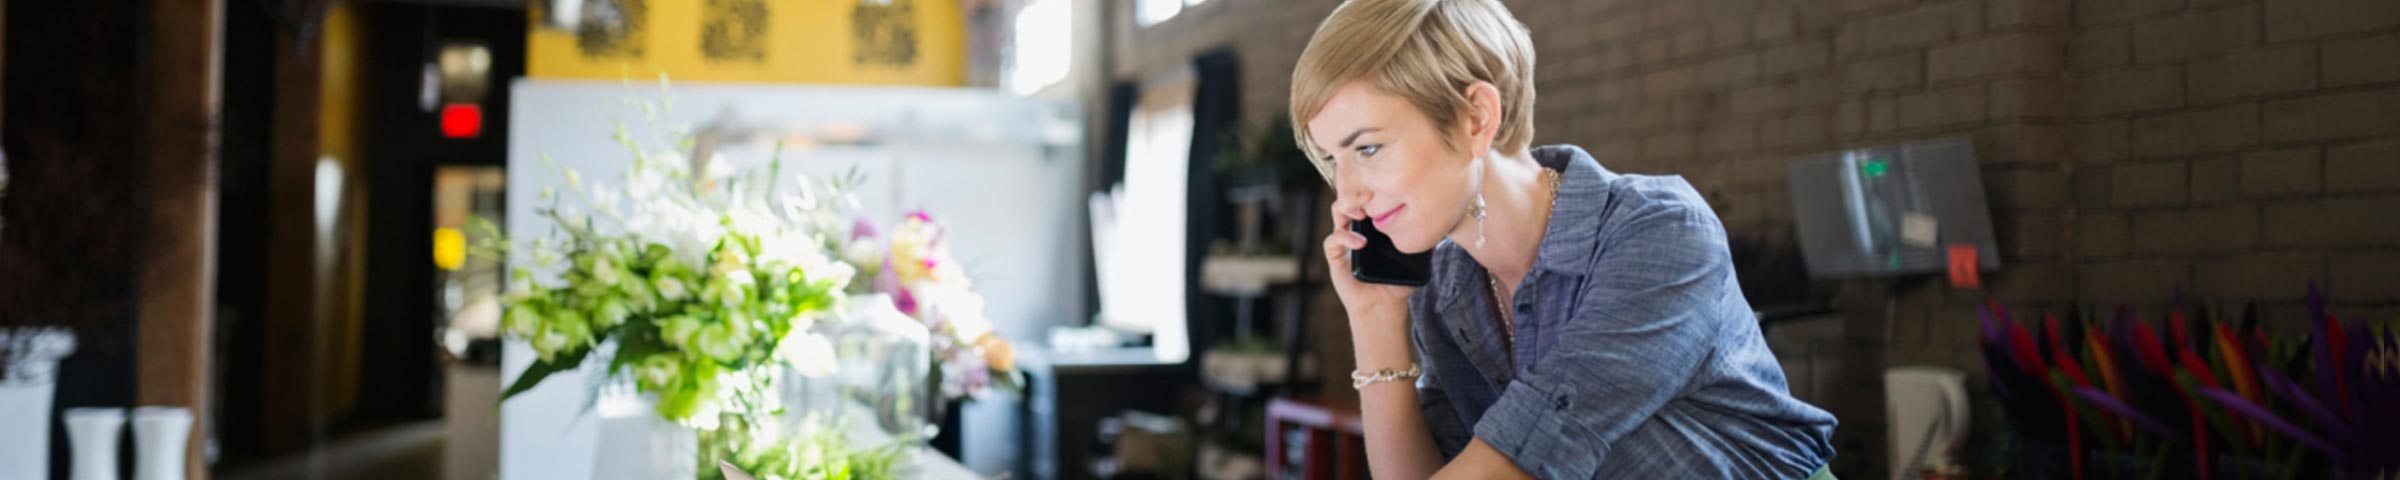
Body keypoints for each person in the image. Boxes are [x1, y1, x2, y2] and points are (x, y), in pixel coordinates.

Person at [1291, 0, 1840, 478]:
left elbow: (1515, 466)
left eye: (1366, 149)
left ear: (1475, 118)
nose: (1347, 195)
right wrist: (1375, 318)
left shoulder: (1660, 236)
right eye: (1331, 160)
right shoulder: (1445, 287)